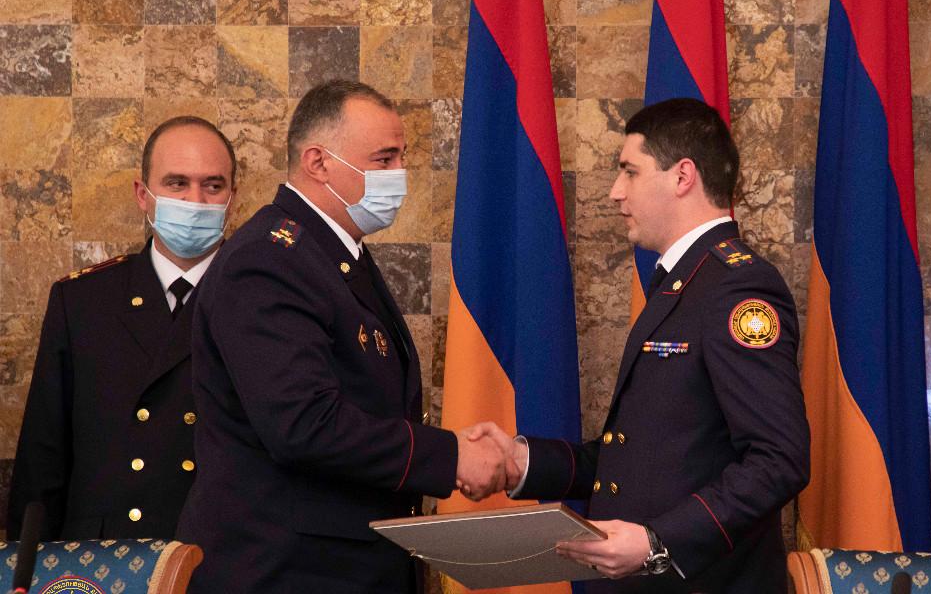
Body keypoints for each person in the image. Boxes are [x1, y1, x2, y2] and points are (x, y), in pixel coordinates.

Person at [175, 80, 508, 592]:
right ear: (318, 162)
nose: (399, 174)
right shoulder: (269, 259)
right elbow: (303, 424)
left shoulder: (329, 252)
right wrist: (450, 456)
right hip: (286, 574)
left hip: (340, 568)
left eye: (401, 157)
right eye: (384, 159)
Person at [473, 98, 810, 593]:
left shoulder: (736, 288)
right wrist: (523, 463)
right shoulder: (683, 282)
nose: (615, 192)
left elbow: (779, 459)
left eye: (630, 171)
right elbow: (640, 460)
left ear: (682, 176)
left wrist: (659, 542)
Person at [7, 116, 238, 540]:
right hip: (107, 556)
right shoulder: (82, 302)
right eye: (177, 183)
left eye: (212, 185)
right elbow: (43, 460)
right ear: (142, 195)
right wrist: (29, 566)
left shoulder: (261, 300)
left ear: (232, 199)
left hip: (222, 552)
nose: (195, 200)